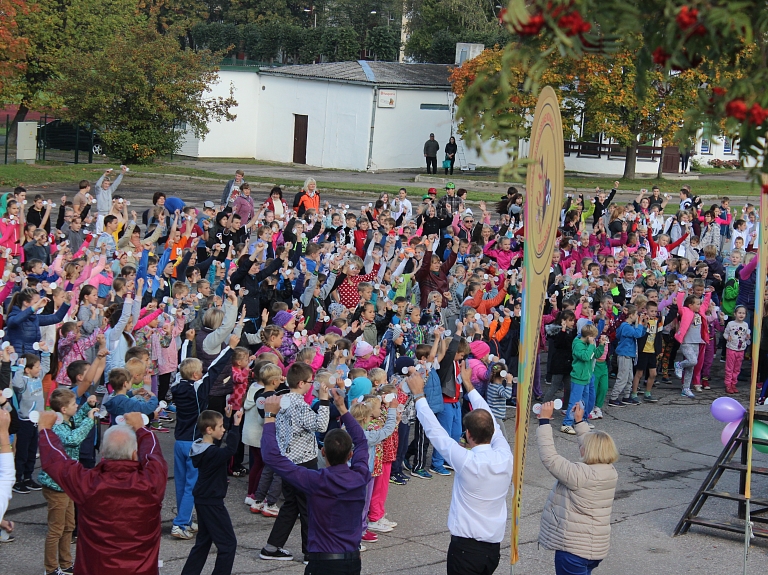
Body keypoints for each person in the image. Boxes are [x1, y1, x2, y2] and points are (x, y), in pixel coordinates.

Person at [406, 366, 513, 575]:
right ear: (492, 431)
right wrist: (470, 386)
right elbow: (489, 417)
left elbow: (436, 433)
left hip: (466, 550)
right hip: (493, 550)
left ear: (469, 434)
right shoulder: (505, 455)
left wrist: (419, 396)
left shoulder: (467, 461)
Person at [38, 411, 168, 575]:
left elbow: (57, 462)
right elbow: (153, 454)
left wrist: (45, 431)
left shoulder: (88, 484)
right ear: (134, 455)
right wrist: (142, 429)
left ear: (104, 454)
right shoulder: (151, 483)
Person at [262, 387, 369, 575]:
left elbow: (272, 457)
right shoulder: (360, 476)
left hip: (323, 562)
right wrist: (343, 410)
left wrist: (270, 416)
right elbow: (361, 441)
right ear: (350, 454)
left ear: (323, 452)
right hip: (352, 561)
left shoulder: (315, 480)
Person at [536, 401, 619, 575]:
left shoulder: (580, 474)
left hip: (574, 550)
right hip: (594, 548)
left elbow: (550, 458)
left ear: (587, 450)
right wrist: (580, 422)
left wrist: (544, 422)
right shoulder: (609, 471)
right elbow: (590, 444)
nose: (581, 448)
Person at [180, 408, 243, 575]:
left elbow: (218, 443)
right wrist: (236, 426)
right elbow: (230, 450)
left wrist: (228, 420)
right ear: (209, 429)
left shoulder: (202, 447)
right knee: (228, 544)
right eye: (221, 427)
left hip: (203, 498)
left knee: (203, 541)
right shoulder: (212, 453)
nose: (223, 429)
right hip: (211, 501)